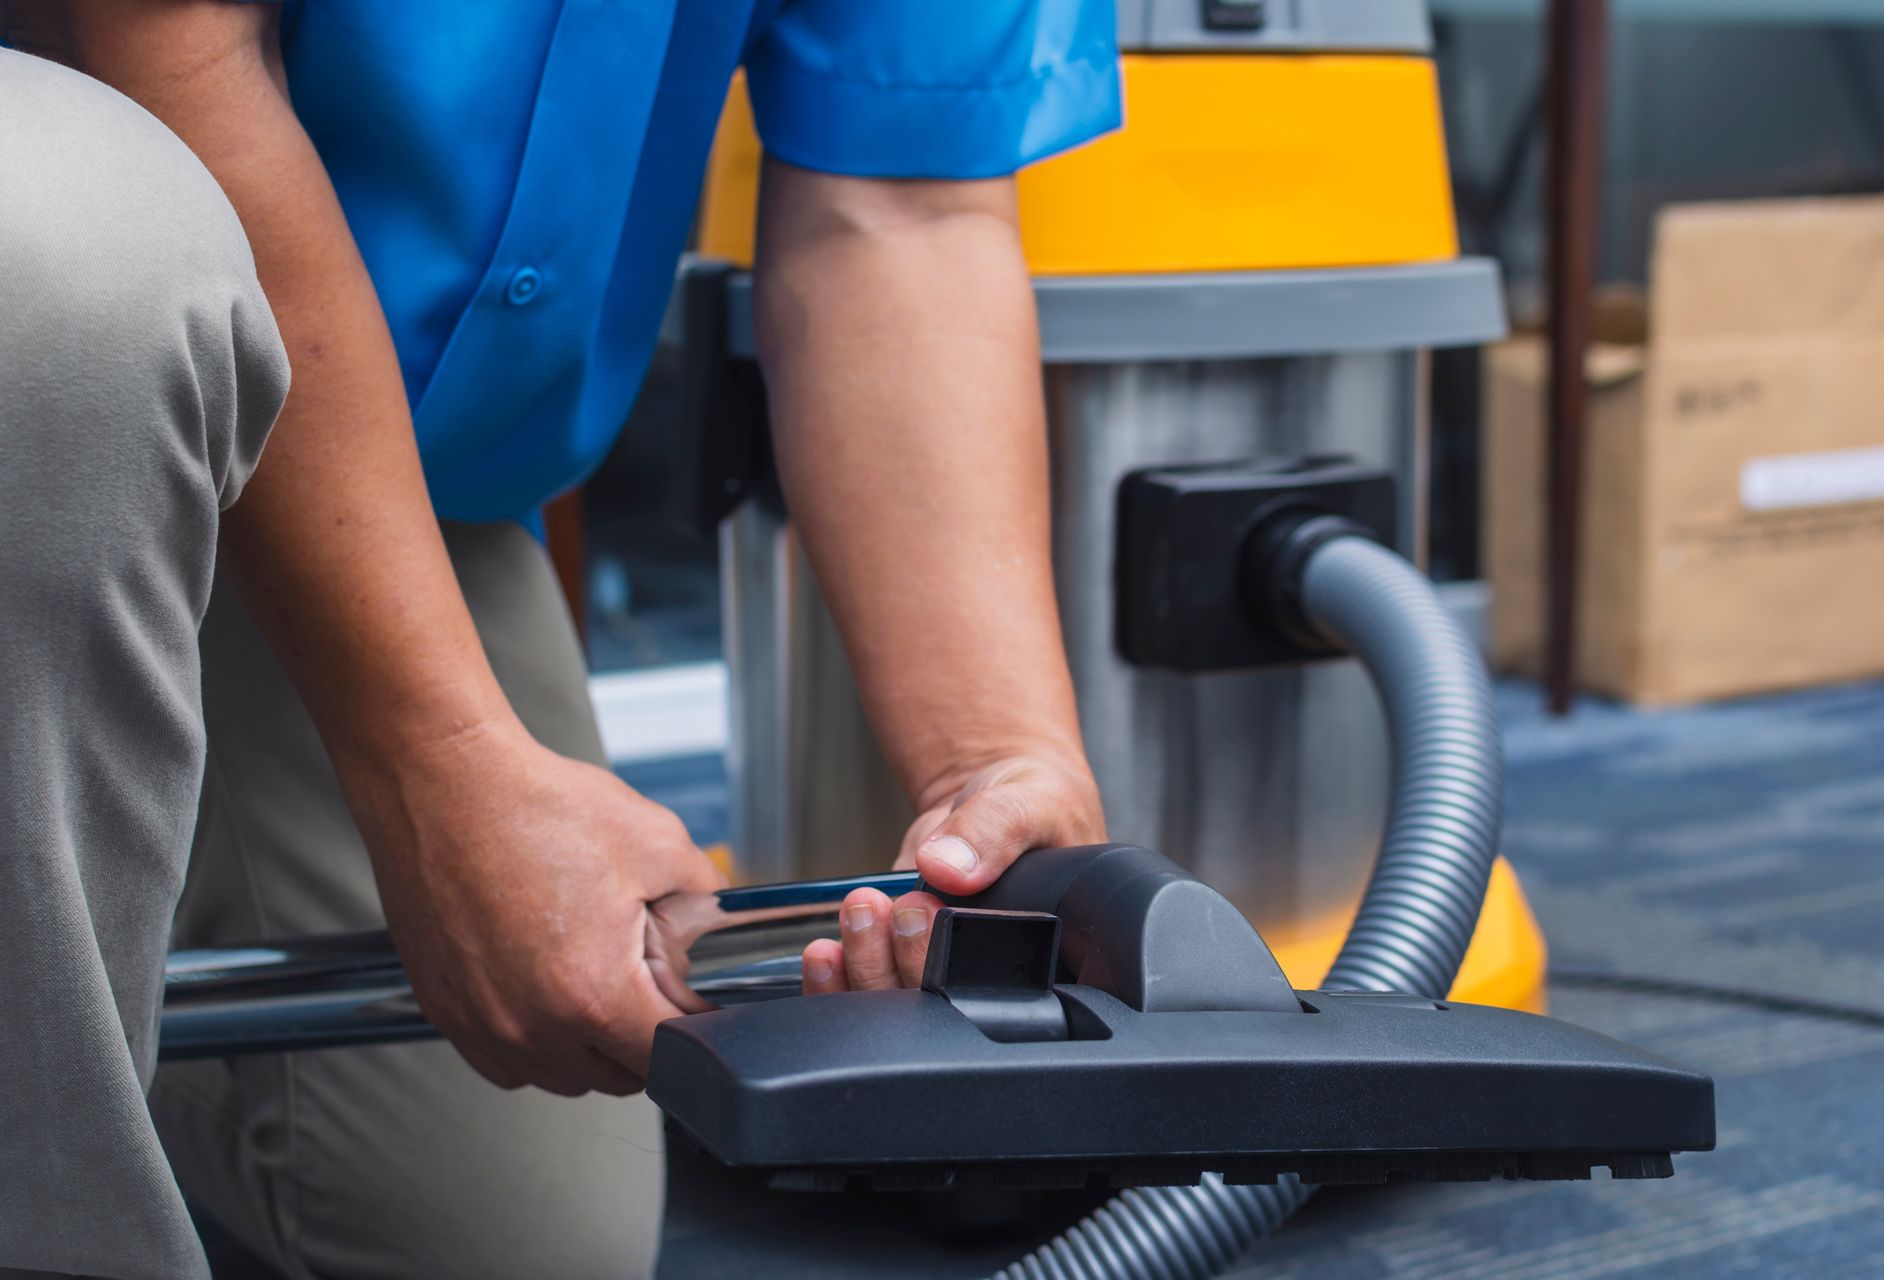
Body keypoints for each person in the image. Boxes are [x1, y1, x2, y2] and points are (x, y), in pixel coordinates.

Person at [0, 2, 1118, 1277]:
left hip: (357, 477)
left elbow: (901, 204)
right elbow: (154, 46)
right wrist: (439, 763)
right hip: (45, 360)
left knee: (517, 1243)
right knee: (67, 252)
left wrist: (999, 757)